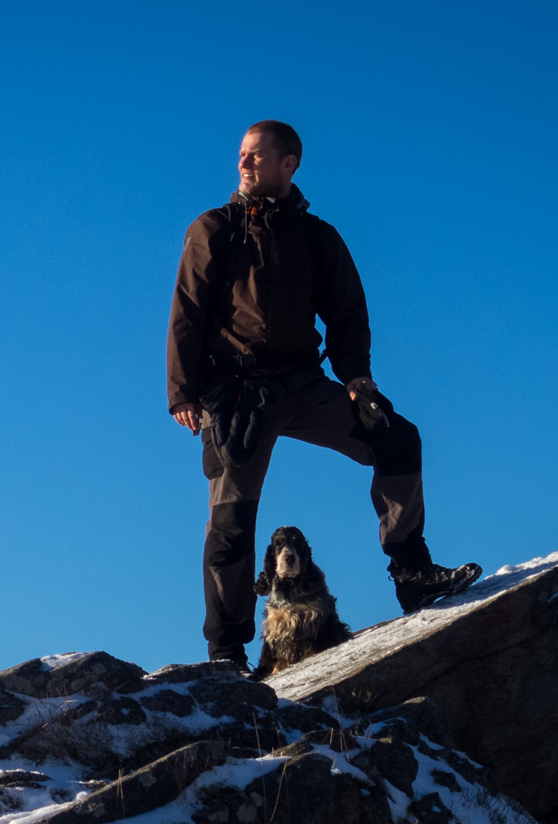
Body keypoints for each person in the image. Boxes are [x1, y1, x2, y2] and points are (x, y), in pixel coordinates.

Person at [167, 120, 480, 670]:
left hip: (304, 384)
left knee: (397, 439)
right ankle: (227, 650)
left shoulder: (318, 237)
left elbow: (346, 312)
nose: (244, 164)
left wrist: (357, 377)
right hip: (236, 395)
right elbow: (186, 313)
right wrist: (184, 393)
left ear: (289, 164)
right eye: (241, 155)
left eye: (257, 156)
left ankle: (413, 576)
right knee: (231, 522)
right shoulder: (213, 229)